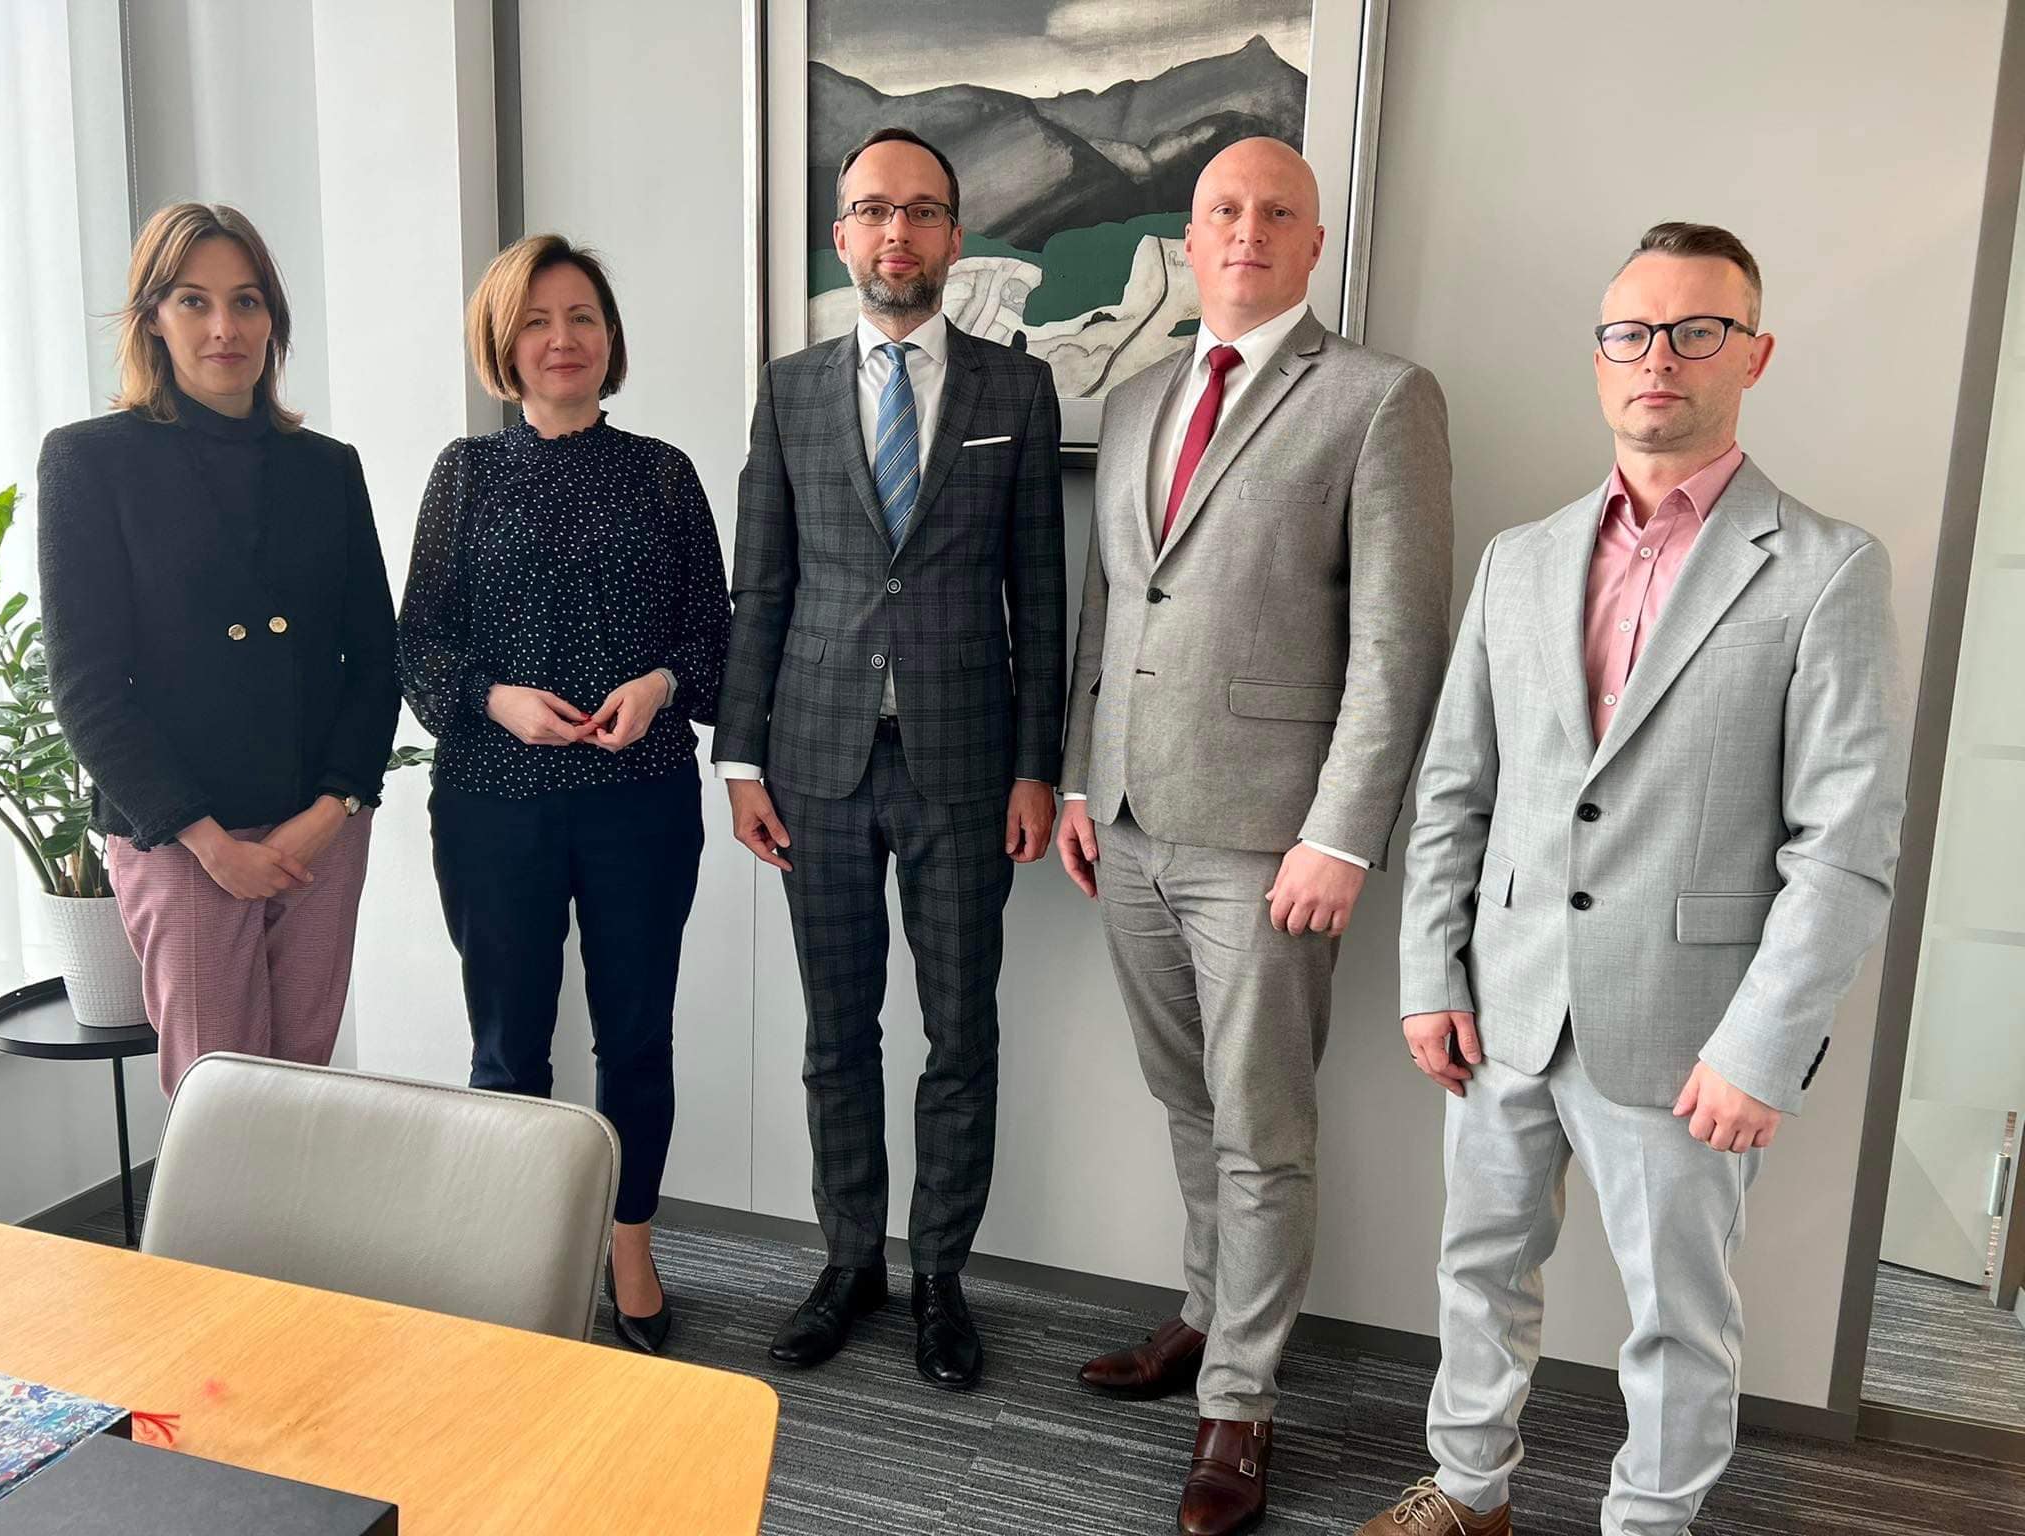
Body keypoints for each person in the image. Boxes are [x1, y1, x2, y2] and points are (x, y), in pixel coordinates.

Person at [1356, 223, 1908, 1536]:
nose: (1658, 356)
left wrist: (1760, 1048)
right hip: (1504, 1006)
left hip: (1690, 1033)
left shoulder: (1825, 569)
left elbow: (1843, 844)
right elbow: (1454, 788)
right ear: (1598, 358)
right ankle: (1467, 1494)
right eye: (1630, 332)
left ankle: (1649, 1525)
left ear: (1752, 355)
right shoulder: (1520, 559)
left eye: (1695, 330)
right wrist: (1431, 971)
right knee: (1476, 1271)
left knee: (1677, 1317)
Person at [1056, 138, 1454, 1535]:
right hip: (1127, 821)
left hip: (1271, 842)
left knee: (1262, 1125)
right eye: (1223, 209)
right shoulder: (1139, 398)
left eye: (1276, 211)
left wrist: (1341, 835)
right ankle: (1205, 1314)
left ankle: (1241, 1403)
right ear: (1190, 232)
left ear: (1313, 240)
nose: (1246, 229)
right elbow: (1112, 609)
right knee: (1187, 1100)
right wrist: (1079, 782)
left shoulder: (1380, 398)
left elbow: (1399, 644)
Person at [712, 127, 1066, 1390]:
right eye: (873, 211)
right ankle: (849, 1261)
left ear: (954, 238)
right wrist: (738, 762)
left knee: (959, 1032)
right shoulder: (789, 389)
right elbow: (762, 586)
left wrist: (1038, 764)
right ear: (841, 236)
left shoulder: (1015, 391)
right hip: (812, 761)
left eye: (920, 212)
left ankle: (940, 1280)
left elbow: (1040, 590)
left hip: (965, 766)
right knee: (835, 1031)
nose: (895, 234)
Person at [397, 234, 731, 1356]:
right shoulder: (464, 475)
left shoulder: (663, 474)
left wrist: (662, 683)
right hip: (495, 802)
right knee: (509, 1044)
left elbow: (715, 636)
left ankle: (629, 1247)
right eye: (536, 320)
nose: (561, 339)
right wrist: (496, 700)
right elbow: (419, 644)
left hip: (640, 797)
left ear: (609, 337)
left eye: (581, 316)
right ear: (505, 341)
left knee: (636, 1038)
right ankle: (519, 1252)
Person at [38, 201, 399, 1097]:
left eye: (246, 301)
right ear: (153, 318)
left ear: (273, 318)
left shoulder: (327, 467)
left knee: (303, 1083)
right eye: (194, 301)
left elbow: (374, 658)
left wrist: (334, 807)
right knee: (220, 1098)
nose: (224, 328)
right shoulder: (91, 462)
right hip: (181, 835)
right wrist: (206, 841)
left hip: (317, 824)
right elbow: (87, 687)